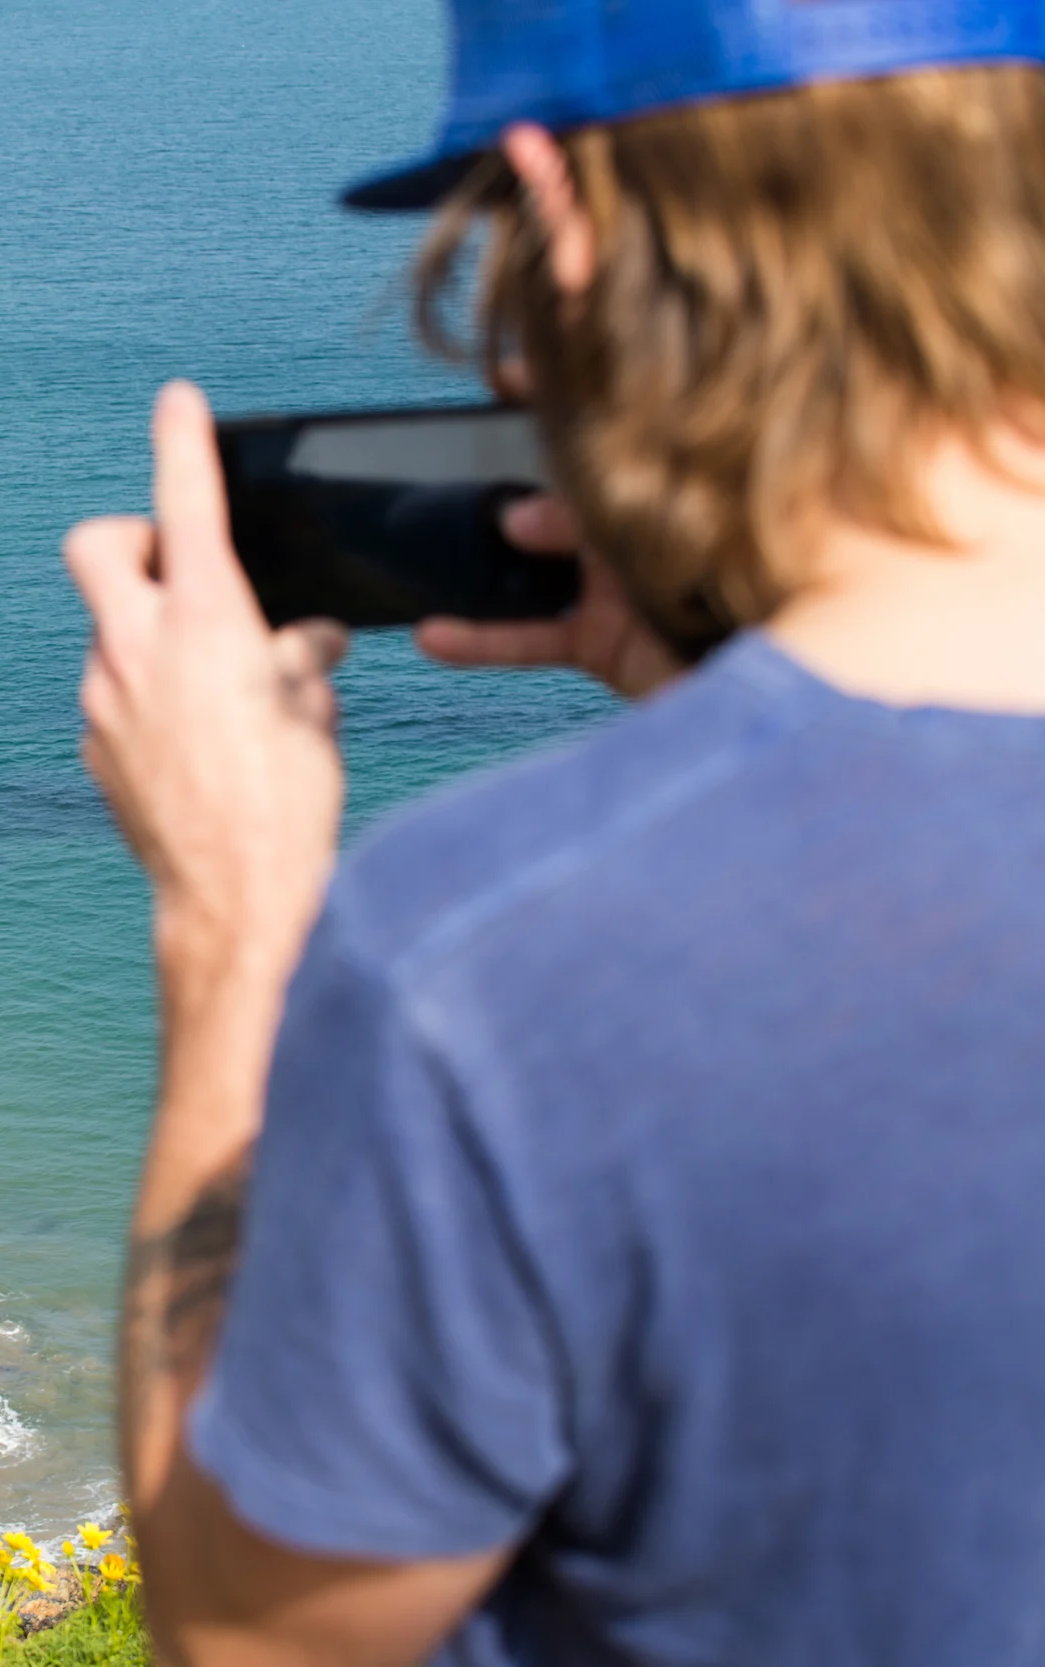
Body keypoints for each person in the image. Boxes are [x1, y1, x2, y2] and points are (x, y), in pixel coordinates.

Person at [67, 4, 1045, 1662]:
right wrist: (721, 698)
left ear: (562, 215)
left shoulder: (487, 963)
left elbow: (251, 1636)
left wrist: (230, 920)